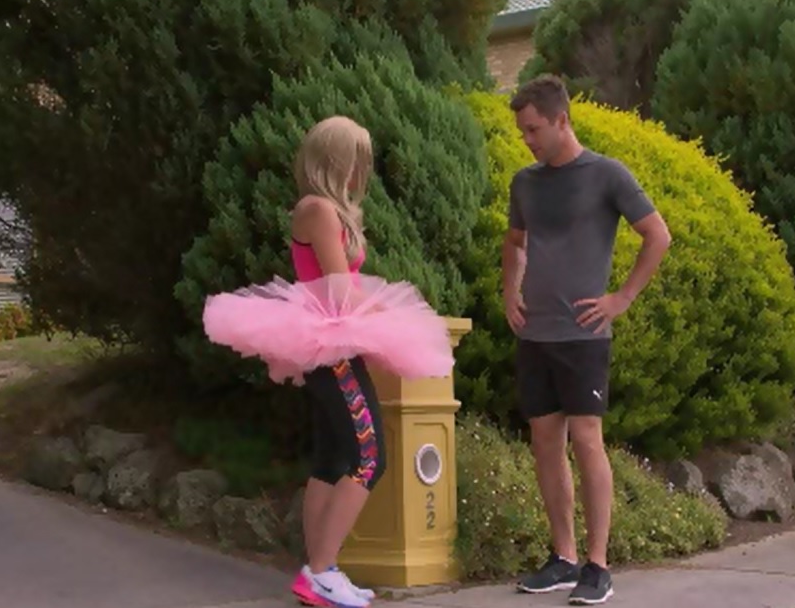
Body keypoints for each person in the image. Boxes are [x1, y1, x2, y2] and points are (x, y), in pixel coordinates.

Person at [201, 116, 454, 608]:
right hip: (330, 344)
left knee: (331, 460)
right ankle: (320, 571)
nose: (364, 171)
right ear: (338, 161)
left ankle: (321, 570)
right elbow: (339, 290)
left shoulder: (324, 209)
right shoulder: (318, 209)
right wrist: (389, 314)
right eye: (359, 160)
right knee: (369, 458)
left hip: (331, 342)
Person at [503, 76, 671, 606]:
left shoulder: (606, 175)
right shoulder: (525, 183)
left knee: (587, 440)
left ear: (562, 120)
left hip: (584, 335)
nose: (527, 139)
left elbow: (657, 235)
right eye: (522, 131)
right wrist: (510, 291)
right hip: (537, 334)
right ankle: (563, 558)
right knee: (545, 443)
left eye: (534, 129)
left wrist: (621, 298)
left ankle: (598, 566)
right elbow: (515, 242)